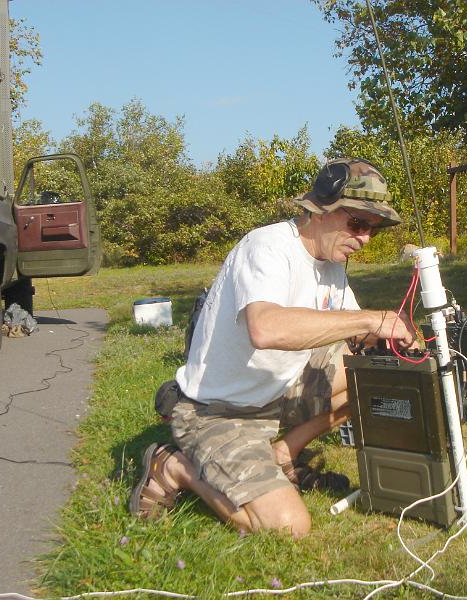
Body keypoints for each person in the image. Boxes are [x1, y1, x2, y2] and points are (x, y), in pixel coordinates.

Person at [129, 158, 416, 537]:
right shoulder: (267, 246)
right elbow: (265, 329)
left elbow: (352, 333)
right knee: (288, 527)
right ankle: (176, 468)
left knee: (380, 372)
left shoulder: (331, 263)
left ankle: (283, 453)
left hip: (274, 396)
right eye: (358, 223)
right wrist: (367, 320)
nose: (364, 238)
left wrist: (398, 336)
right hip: (215, 413)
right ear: (320, 211)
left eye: (373, 231)